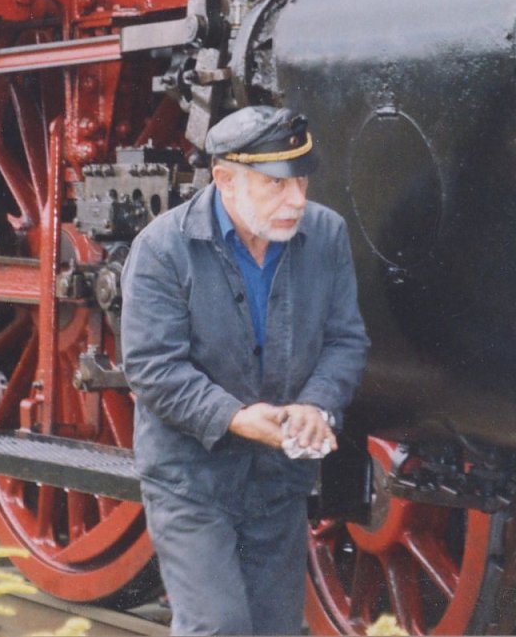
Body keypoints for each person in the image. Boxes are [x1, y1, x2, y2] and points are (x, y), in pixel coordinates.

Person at [120, 105, 369, 635]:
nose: (297, 199)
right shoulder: (161, 249)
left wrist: (317, 404)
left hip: (277, 482)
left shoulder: (326, 234)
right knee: (219, 627)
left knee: (275, 629)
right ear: (225, 179)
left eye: (301, 180)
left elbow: (345, 340)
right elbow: (152, 367)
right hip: (190, 480)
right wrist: (235, 417)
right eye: (276, 184)